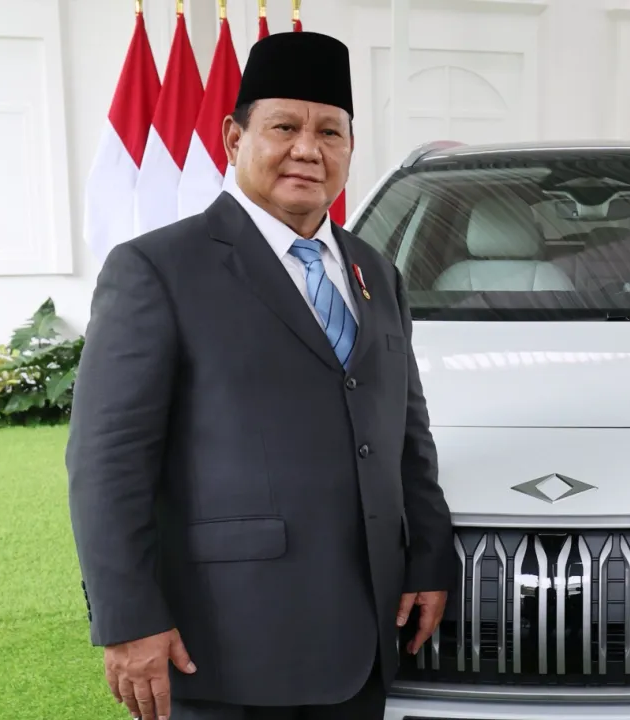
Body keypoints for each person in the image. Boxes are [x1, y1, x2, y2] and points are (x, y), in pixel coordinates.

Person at [66, 30, 454, 720]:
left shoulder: (376, 272)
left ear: (350, 149)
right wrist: (128, 617)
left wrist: (427, 557)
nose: (308, 149)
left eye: (330, 132)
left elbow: (405, 435)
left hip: (366, 638)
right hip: (228, 645)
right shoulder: (158, 269)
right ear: (233, 137)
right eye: (284, 127)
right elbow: (107, 460)